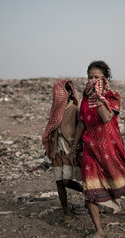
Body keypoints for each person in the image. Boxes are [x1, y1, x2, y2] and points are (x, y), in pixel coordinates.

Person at [70, 61, 125, 238]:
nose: (93, 80)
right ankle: (99, 231)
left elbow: (105, 117)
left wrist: (99, 97)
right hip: (89, 147)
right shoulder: (86, 98)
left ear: (105, 78)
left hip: (109, 147)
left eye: (97, 77)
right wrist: (74, 147)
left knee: (116, 178)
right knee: (90, 189)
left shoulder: (112, 96)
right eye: (90, 77)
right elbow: (81, 122)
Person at [42, 79, 83, 223]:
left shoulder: (75, 110)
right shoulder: (54, 110)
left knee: (66, 181)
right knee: (59, 182)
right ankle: (66, 211)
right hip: (56, 150)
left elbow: (81, 131)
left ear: (70, 93)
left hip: (68, 149)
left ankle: (88, 193)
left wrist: (78, 150)